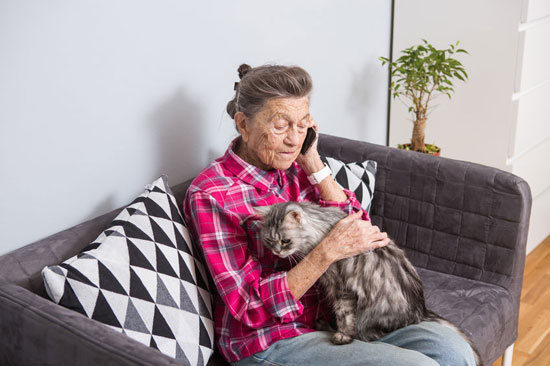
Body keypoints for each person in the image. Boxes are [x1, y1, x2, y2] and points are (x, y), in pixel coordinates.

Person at [183, 63, 476, 366]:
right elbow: (250, 307)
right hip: (272, 340)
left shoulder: (297, 168)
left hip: (337, 321)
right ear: (244, 124)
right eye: (281, 125)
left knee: (454, 353)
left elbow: (362, 237)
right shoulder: (212, 195)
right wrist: (326, 251)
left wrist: (314, 164)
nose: (294, 139)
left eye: (302, 125)